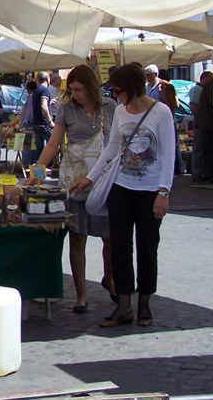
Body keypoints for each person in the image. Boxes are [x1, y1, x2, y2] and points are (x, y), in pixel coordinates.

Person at [69, 63, 175, 328]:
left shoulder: (161, 112)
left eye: (118, 90)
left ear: (132, 88)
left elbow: (169, 154)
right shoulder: (119, 111)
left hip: (150, 191)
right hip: (121, 188)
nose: (115, 95)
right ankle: (124, 306)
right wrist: (90, 179)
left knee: (148, 249)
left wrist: (164, 192)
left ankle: (145, 305)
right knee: (120, 248)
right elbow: (112, 148)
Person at [29, 65, 117, 313]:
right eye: (73, 89)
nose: (76, 94)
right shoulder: (67, 109)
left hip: (103, 181)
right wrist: (36, 173)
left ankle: (109, 278)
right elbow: (52, 145)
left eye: (80, 89)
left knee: (109, 238)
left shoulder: (110, 107)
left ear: (91, 87)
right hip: (75, 181)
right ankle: (81, 295)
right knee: (78, 238)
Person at [189, 71, 213, 182]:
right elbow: (193, 106)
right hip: (201, 123)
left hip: (204, 122)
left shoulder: (201, 90)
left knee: (203, 148)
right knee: (199, 148)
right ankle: (197, 173)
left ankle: (202, 172)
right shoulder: (197, 90)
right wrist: (199, 119)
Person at [29, 71, 54, 164]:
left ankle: (38, 174)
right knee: (53, 145)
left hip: (36, 123)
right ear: (47, 79)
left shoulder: (36, 91)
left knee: (39, 150)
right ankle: (48, 168)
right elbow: (43, 106)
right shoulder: (45, 90)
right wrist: (50, 121)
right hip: (44, 124)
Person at [17, 79, 38, 166]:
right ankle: (32, 163)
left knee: (27, 145)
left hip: (29, 125)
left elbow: (30, 111)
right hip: (34, 124)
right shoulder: (36, 95)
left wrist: (26, 122)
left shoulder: (31, 96)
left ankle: (26, 165)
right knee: (34, 145)